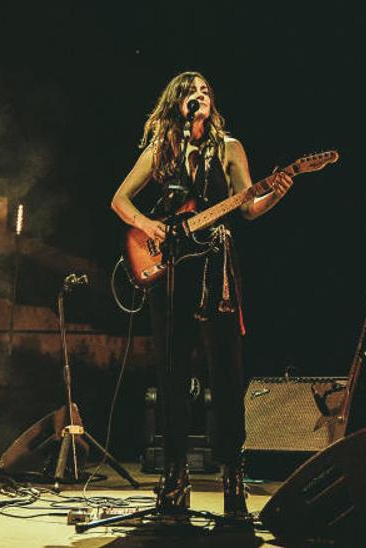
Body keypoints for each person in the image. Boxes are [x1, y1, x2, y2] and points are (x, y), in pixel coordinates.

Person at [110, 71, 294, 520]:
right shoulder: (163, 150)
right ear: (177, 103)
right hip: (171, 266)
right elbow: (120, 200)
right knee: (171, 370)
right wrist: (148, 226)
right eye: (192, 93)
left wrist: (274, 195)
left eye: (206, 92)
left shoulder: (230, 148)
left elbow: (247, 206)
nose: (201, 97)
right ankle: (175, 475)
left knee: (226, 374)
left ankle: (233, 472)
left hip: (216, 267)